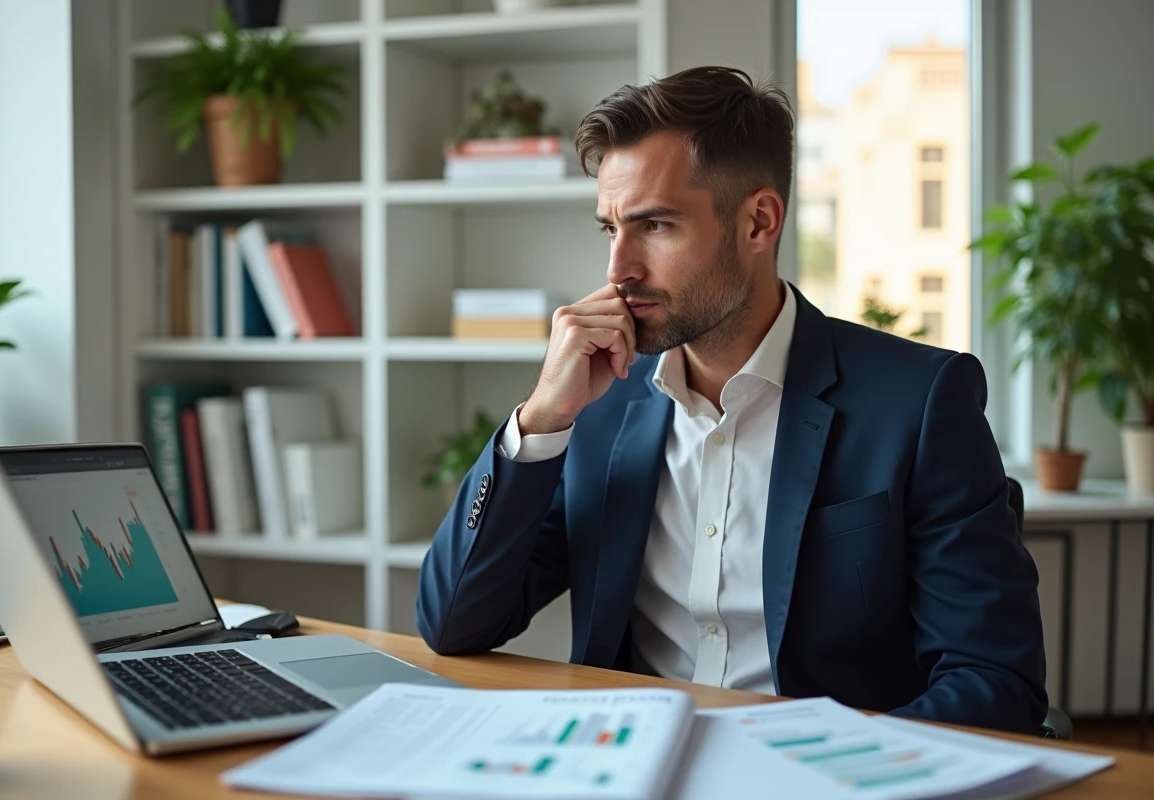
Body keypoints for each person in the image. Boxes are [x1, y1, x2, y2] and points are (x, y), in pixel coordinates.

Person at [416, 66, 1047, 734]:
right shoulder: (598, 402)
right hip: (630, 764)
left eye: (654, 225)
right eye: (609, 229)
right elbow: (455, 623)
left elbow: (994, 682)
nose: (618, 269)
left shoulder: (919, 403)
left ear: (758, 222)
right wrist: (541, 418)